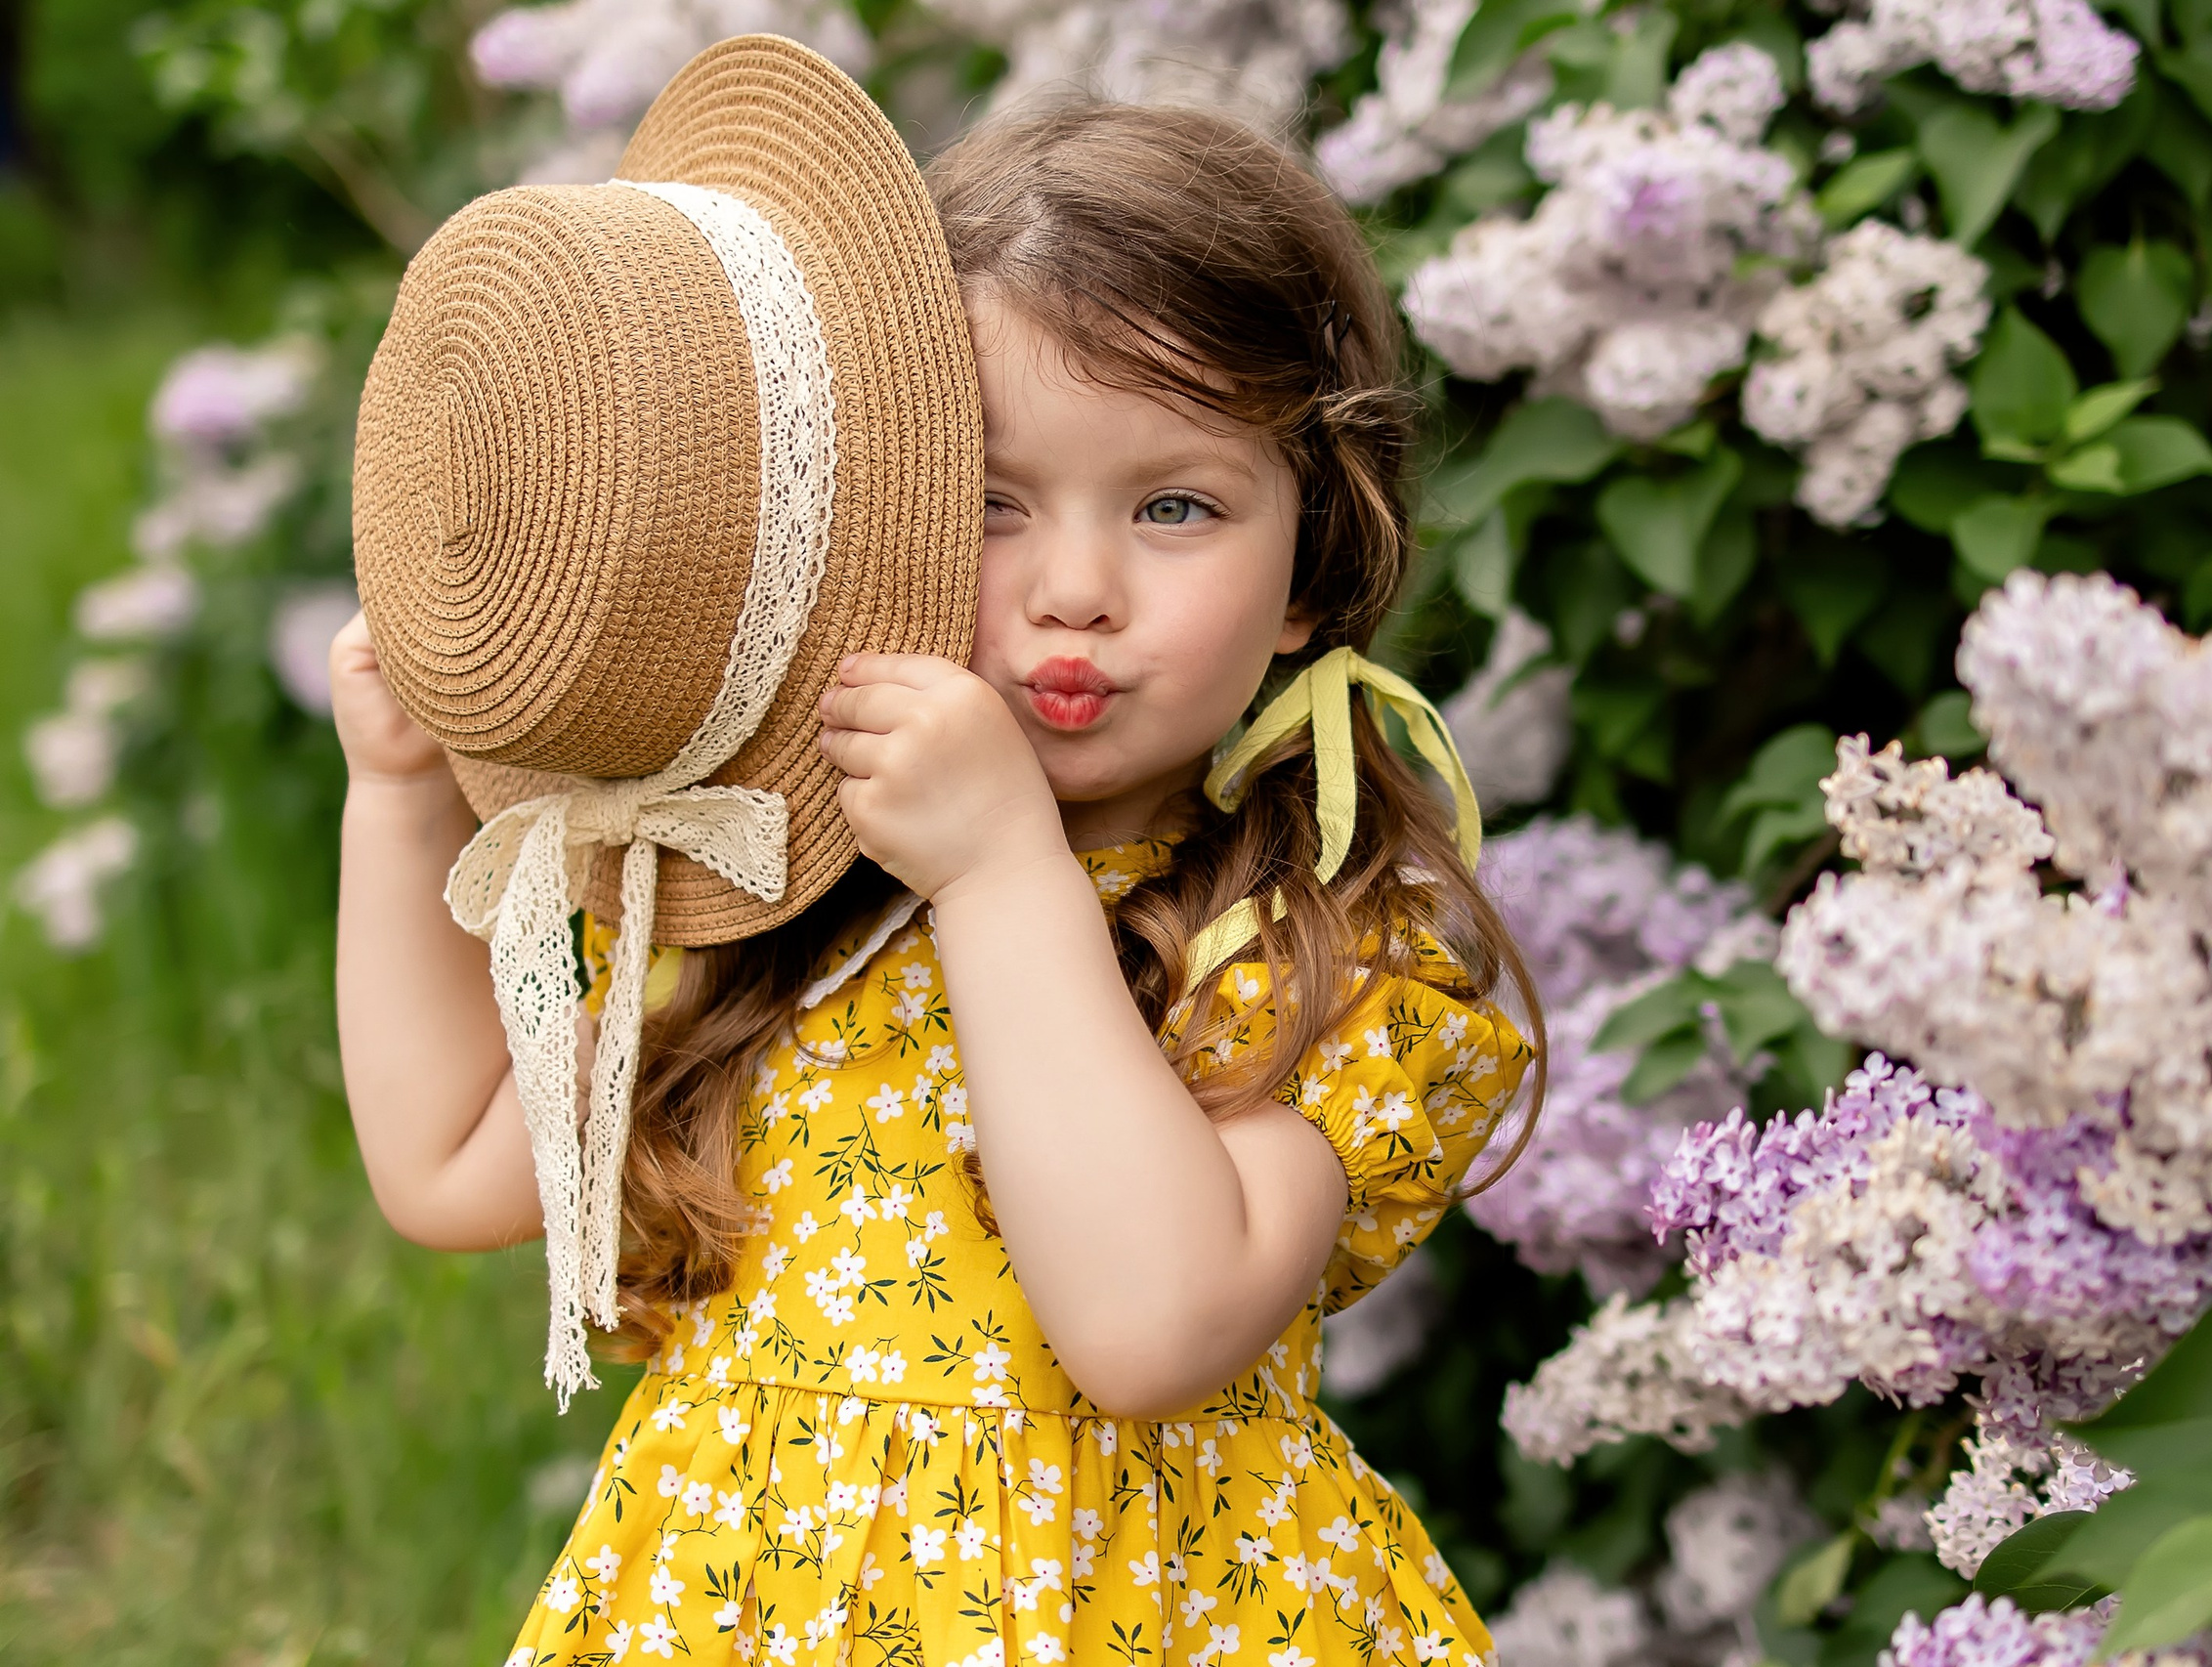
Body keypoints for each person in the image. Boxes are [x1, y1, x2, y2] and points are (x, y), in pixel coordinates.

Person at [332, 59, 1543, 1667]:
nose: (1077, 589)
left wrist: (1000, 872)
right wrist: (401, 800)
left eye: (1177, 505)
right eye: (989, 504)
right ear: (858, 521)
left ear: (1317, 566)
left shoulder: (1317, 944)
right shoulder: (783, 900)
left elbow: (1149, 1324)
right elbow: (449, 1164)